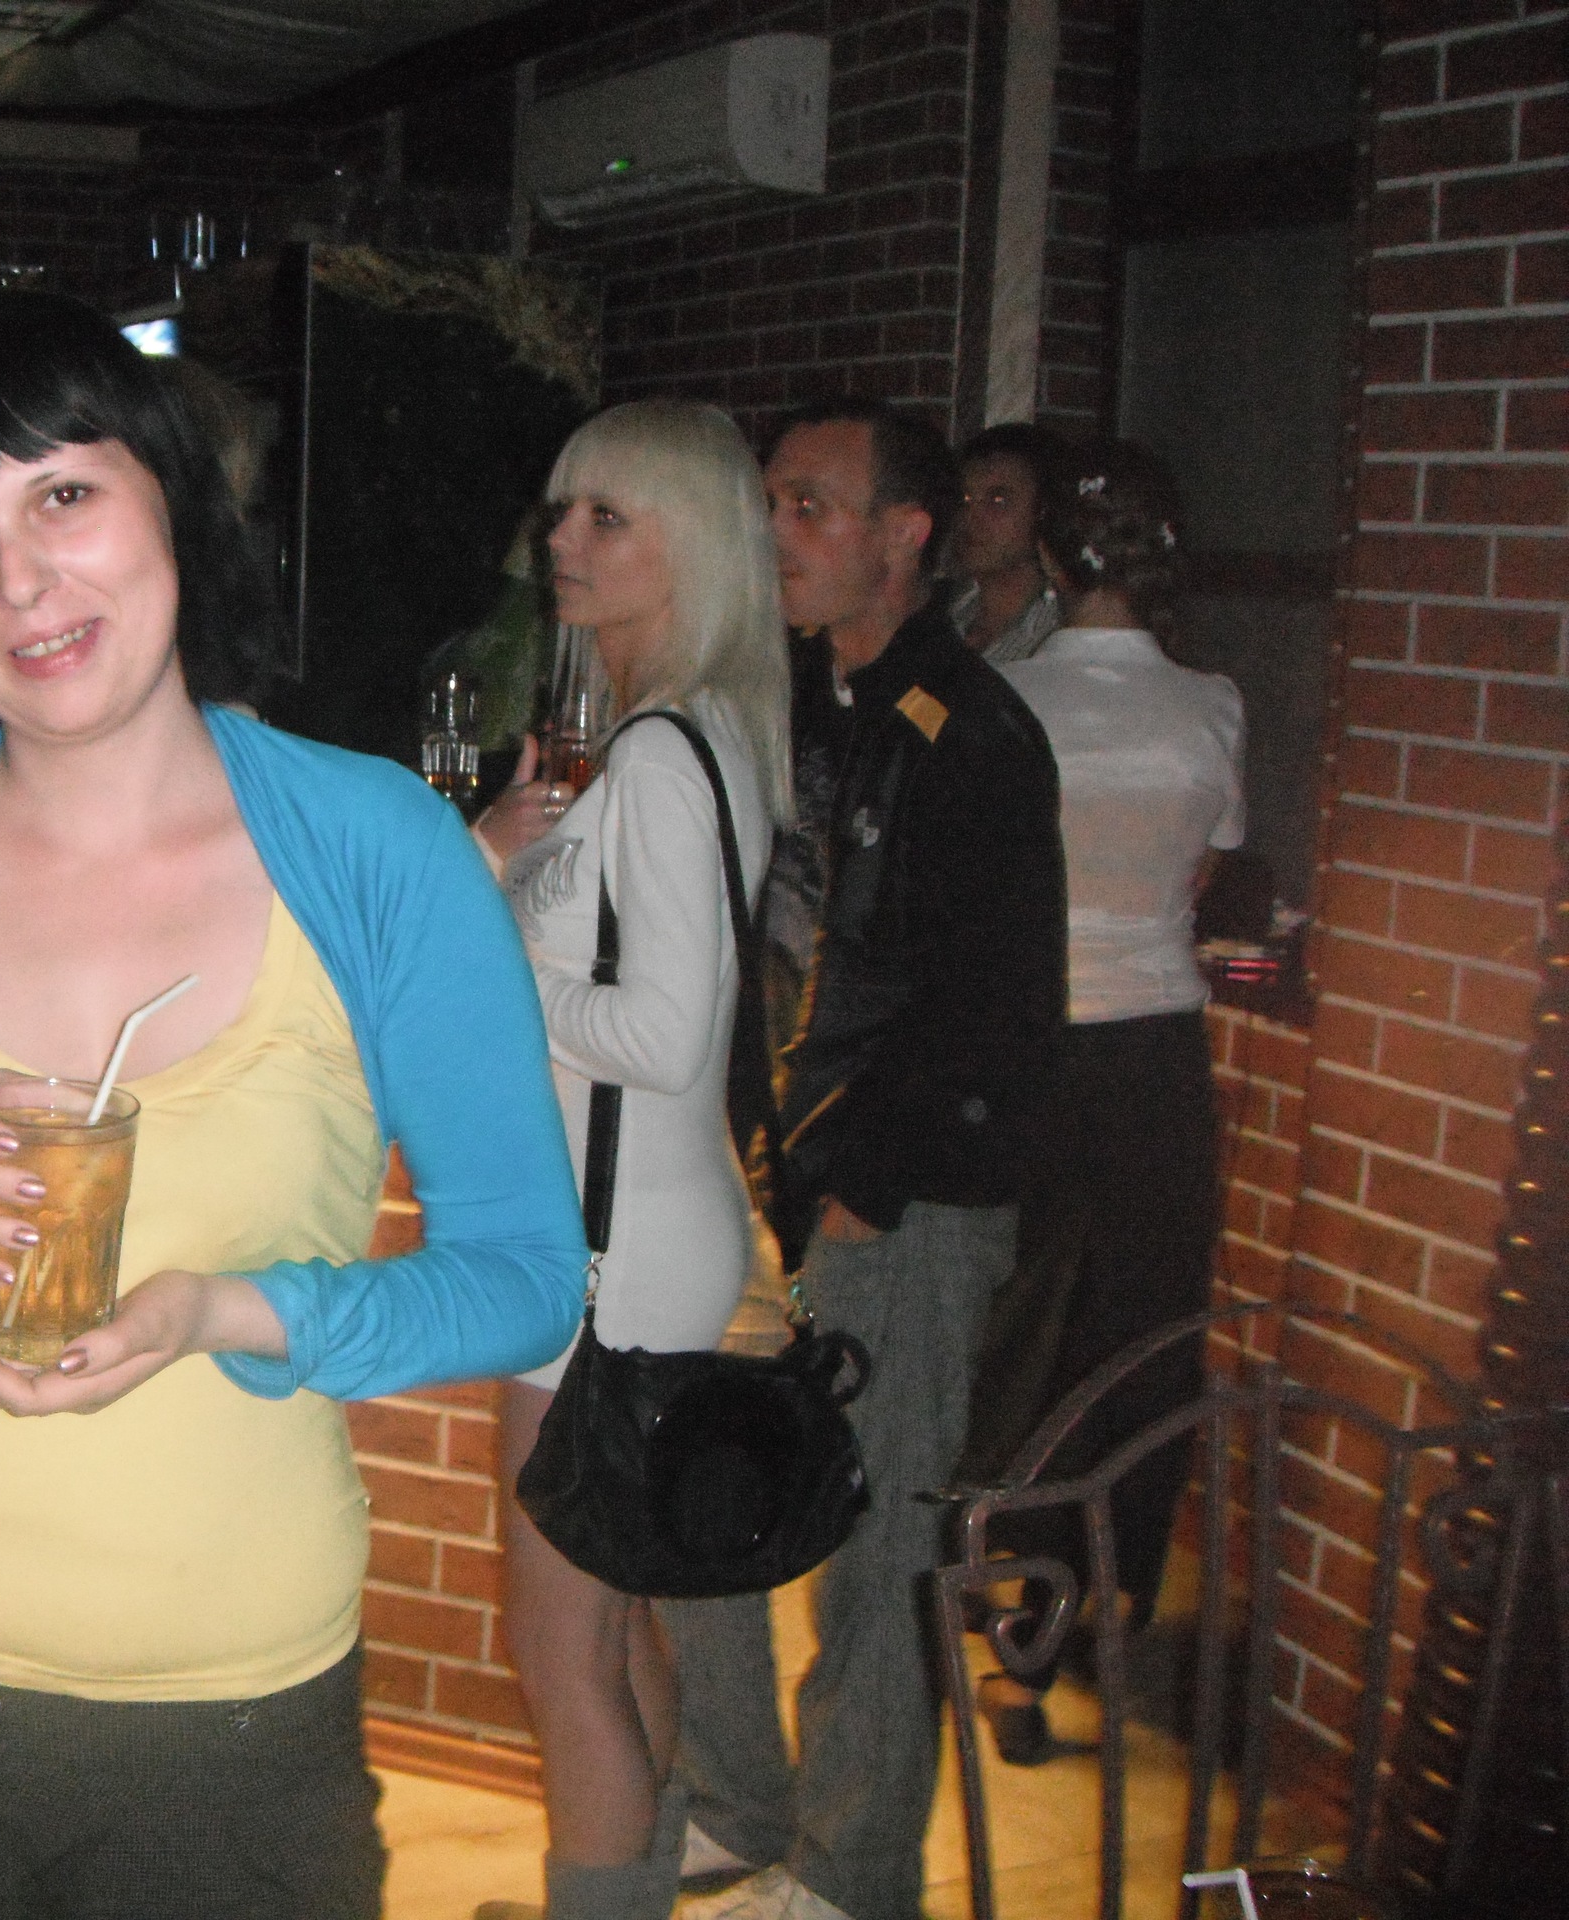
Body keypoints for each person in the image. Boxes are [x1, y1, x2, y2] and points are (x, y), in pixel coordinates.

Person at [0, 289, 587, 1919]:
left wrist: (226, 1313)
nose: (20, 581)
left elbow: (529, 1278)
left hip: (228, 1722)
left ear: (169, 492)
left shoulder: (378, 849)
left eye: (62, 495)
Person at [667, 398, 1066, 1920]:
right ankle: (740, 1804)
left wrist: (861, 1186)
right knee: (697, 1482)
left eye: (808, 505)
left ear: (906, 535)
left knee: (878, 1546)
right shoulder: (801, 706)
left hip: (896, 1200)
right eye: (768, 501)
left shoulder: (973, 736)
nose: (773, 531)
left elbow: (992, 1007)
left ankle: (850, 1874)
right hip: (779, 1177)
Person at [468, 401, 794, 1920]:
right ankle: (634, 1889)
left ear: (693, 546)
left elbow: (663, 1037)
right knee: (610, 1627)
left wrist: (502, 961)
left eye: (607, 516)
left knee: (562, 1646)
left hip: (612, 1248)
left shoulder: (662, 752)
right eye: (562, 510)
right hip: (633, 1229)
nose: (563, 539)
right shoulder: (682, 730)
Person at [967, 441, 1243, 1765]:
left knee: (1026, 1343)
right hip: (1155, 1061)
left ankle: (1009, 1633)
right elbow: (1202, 872)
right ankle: (1095, 1618)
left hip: (1029, 1053)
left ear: (1054, 560)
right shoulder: (1212, 705)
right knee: (1147, 1343)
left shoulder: (1002, 695)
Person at [948, 422, 1068, 665]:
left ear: (1044, 511)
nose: (970, 516)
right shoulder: (940, 614)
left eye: (998, 501)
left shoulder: (1060, 633)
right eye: (965, 498)